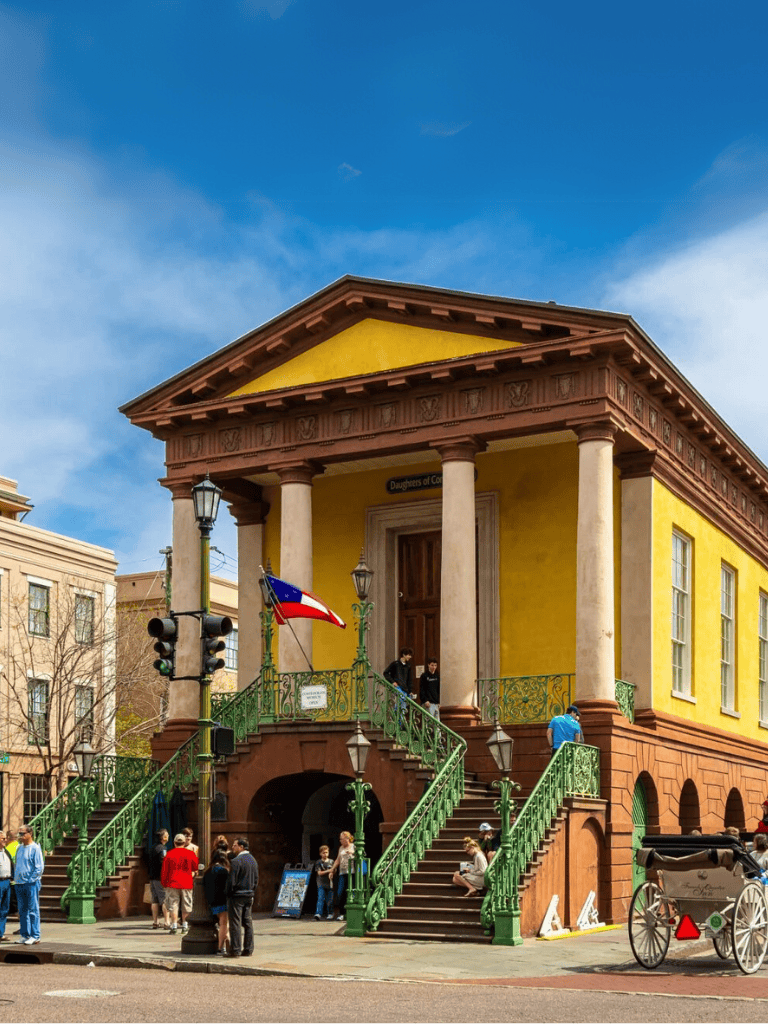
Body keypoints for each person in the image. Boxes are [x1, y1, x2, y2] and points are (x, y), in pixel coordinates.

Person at [226, 836, 258, 958]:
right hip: (249, 894)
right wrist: (252, 891)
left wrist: (228, 893)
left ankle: (235, 950)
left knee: (235, 923)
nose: (233, 847)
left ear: (241, 847)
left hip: (237, 895)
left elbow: (231, 882)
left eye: (234, 845)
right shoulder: (253, 860)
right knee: (248, 922)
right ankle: (248, 949)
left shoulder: (236, 861)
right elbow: (256, 879)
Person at [160, 833, 198, 935]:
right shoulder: (190, 854)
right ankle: (185, 925)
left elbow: (164, 871)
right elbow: (195, 867)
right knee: (186, 905)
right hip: (186, 882)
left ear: (174, 842)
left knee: (173, 905)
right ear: (184, 842)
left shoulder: (169, 854)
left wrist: (164, 883)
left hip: (172, 883)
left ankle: (174, 925)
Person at [14, 824, 44, 945]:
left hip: (31, 883)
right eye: (19, 833)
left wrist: (31, 879)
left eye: (23, 833)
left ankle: (35, 935)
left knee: (33, 910)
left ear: (30, 833)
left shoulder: (35, 848)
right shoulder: (19, 848)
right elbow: (17, 864)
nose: (20, 836)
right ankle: (24, 934)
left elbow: (39, 867)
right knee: (22, 910)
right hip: (19, 882)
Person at [203, 850, 230, 957]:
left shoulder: (207, 871)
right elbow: (227, 887)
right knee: (224, 924)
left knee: (222, 924)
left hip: (212, 901)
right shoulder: (224, 871)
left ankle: (227, 939)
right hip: (223, 901)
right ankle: (221, 946)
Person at [329, 831, 355, 922]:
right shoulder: (341, 848)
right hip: (342, 872)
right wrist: (332, 869)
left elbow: (361, 856)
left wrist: (352, 853)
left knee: (351, 892)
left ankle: (351, 913)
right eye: (340, 839)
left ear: (347, 839)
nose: (340, 841)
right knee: (340, 892)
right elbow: (338, 860)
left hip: (352, 872)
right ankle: (342, 913)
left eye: (342, 839)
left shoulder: (353, 846)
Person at [148, 829, 170, 930]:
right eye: (166, 835)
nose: (168, 836)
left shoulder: (152, 847)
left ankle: (155, 921)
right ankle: (167, 922)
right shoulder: (162, 849)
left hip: (152, 877)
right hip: (160, 878)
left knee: (154, 900)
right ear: (163, 838)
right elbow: (164, 862)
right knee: (164, 899)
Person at [313, 845, 334, 921]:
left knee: (330, 899)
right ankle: (318, 913)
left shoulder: (331, 861)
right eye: (323, 853)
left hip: (330, 883)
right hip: (321, 883)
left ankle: (330, 913)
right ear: (320, 854)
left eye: (326, 852)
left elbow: (334, 870)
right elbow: (319, 873)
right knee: (320, 898)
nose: (325, 854)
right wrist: (329, 871)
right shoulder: (318, 862)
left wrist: (332, 873)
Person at [0, 832, 13, 942]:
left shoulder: (6, 852)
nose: (4, 840)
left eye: (5, 838)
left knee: (4, 909)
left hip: (7, 882)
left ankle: (1, 933)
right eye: (2, 838)